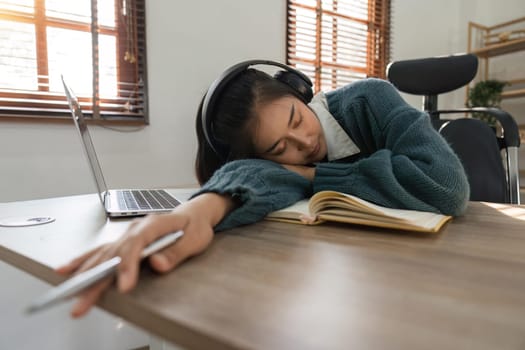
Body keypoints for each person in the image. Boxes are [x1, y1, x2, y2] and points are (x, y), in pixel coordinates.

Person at [57, 61, 470, 317]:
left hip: (450, 274)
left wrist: (316, 177)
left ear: (298, 90)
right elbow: (255, 177)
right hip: (369, 290)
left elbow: (445, 185)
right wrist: (196, 213)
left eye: (296, 119)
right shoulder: (280, 165)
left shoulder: (369, 99)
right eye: (279, 148)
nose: (303, 144)